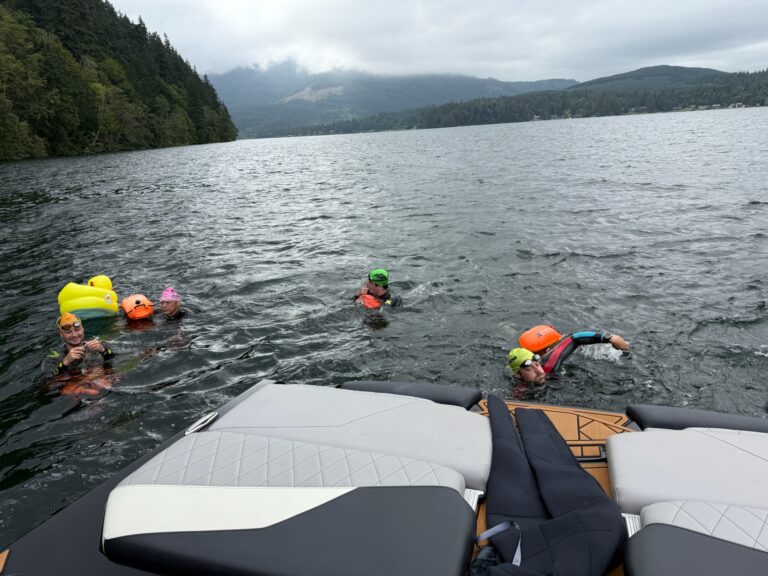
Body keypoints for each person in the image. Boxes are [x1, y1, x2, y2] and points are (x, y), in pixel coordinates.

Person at [509, 327, 629, 385]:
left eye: (537, 364)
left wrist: (609, 337)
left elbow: (573, 338)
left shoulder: (548, 365)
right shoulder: (518, 391)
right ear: (518, 375)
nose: (539, 371)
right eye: (529, 369)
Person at [41, 313, 116, 395]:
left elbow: (116, 360)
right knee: (69, 392)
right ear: (61, 334)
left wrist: (104, 351)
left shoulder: (99, 345)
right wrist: (65, 362)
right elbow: (47, 385)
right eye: (68, 332)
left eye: (77, 330)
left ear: (83, 329)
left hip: (100, 382)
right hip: (75, 387)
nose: (74, 335)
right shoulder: (53, 356)